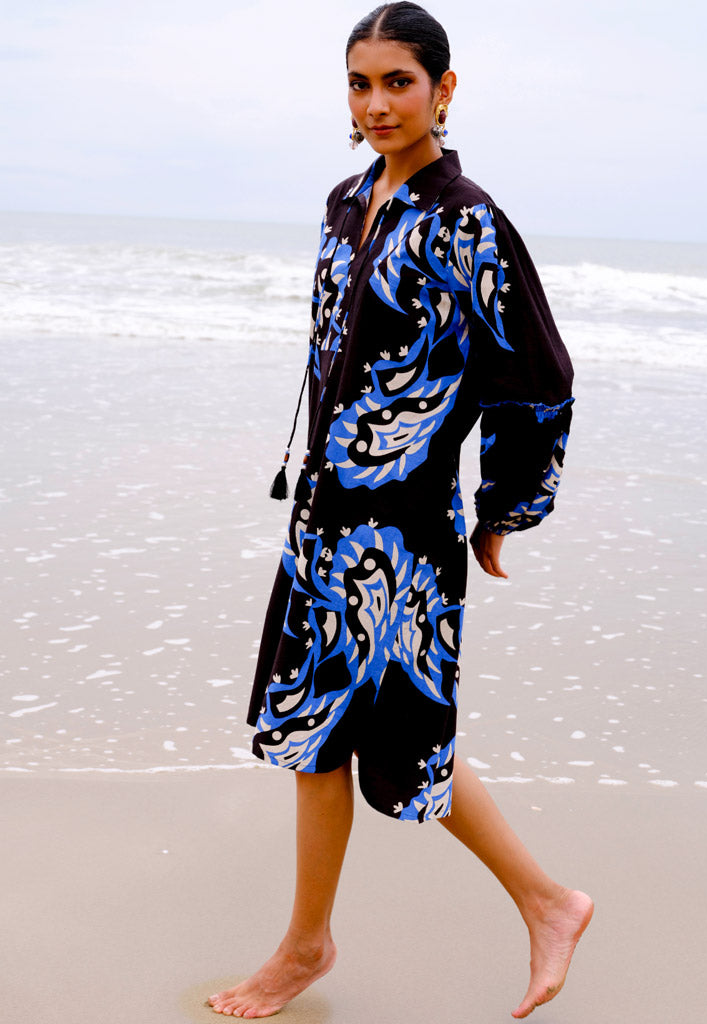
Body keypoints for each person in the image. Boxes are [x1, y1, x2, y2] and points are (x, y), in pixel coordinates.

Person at [209, 3, 593, 1018]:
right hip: (324, 517)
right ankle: (312, 944)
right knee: (316, 732)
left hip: (404, 531)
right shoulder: (345, 203)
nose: (376, 103)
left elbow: (538, 374)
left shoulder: (467, 219)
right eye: (359, 83)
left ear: (443, 89)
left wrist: (504, 505)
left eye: (397, 82)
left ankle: (545, 903)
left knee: (399, 738)